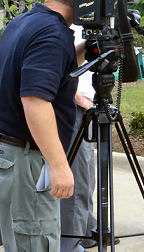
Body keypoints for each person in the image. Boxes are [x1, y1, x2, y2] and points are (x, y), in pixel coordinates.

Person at [0, 0, 90, 251]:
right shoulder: (53, 34)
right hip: (28, 163)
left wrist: (84, 50)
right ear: (80, 0)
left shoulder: (23, 22)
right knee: (34, 243)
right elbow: (35, 100)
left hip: (9, 156)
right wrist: (60, 165)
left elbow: (44, 73)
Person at [60, 25, 97, 252]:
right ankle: (71, 243)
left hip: (89, 106)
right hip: (75, 107)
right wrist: (78, 99)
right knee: (78, 176)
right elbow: (58, 69)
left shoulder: (92, 26)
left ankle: (86, 229)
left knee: (87, 173)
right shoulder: (64, 28)